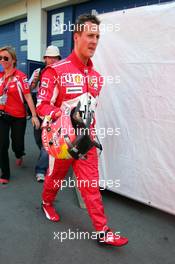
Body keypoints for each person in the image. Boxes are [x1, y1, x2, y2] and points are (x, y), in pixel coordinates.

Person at [37, 14, 128, 247]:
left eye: (97, 36)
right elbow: (41, 106)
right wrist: (62, 115)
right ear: (76, 36)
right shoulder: (55, 70)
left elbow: (90, 111)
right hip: (62, 141)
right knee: (55, 178)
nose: (94, 41)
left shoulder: (97, 78)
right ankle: (47, 202)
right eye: (90, 35)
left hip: (85, 141)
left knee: (90, 185)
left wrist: (91, 133)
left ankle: (102, 231)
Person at [0, 46, 40, 184]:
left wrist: (34, 116)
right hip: (2, 116)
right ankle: (5, 174)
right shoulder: (0, 77)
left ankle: (19, 153)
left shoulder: (20, 77)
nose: (2, 60)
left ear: (13, 60)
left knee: (17, 144)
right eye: (0, 58)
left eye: (6, 58)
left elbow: (28, 97)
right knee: (2, 144)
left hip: (18, 116)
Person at [29, 45, 62, 182]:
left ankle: (41, 169)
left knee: (46, 144)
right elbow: (29, 88)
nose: (52, 60)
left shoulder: (62, 72)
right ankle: (46, 156)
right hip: (39, 111)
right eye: (50, 57)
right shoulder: (38, 71)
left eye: (55, 57)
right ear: (45, 59)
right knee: (38, 139)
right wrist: (35, 80)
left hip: (52, 113)